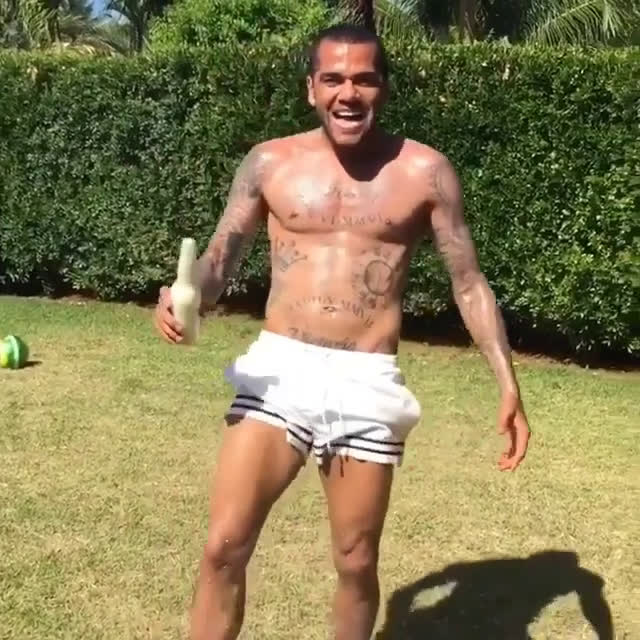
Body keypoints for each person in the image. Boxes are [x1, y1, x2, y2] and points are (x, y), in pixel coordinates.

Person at [153, 23, 532, 640]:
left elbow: (468, 283)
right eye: (332, 79)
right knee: (223, 546)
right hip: (280, 369)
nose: (347, 93)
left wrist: (507, 383)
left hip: (365, 377)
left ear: (383, 87)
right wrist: (182, 292)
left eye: (363, 79)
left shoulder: (426, 172)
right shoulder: (269, 162)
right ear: (311, 88)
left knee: (355, 561)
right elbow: (220, 259)